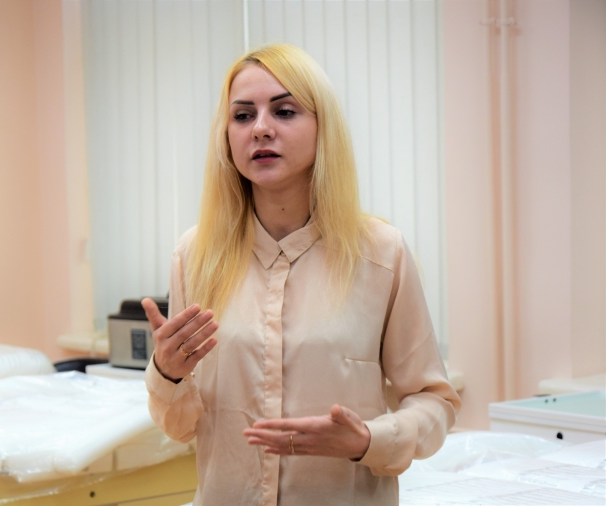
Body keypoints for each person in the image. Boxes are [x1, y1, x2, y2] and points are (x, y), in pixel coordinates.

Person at [141, 44, 460, 505]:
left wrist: (368, 440)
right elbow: (181, 427)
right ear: (226, 136)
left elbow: (434, 400)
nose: (261, 128)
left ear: (322, 128)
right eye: (243, 116)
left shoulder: (381, 253)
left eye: (284, 111)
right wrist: (167, 375)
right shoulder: (195, 256)